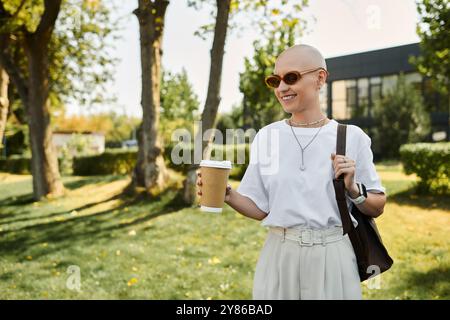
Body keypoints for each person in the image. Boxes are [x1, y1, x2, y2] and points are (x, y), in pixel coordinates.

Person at [197, 44, 387, 300]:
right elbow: (261, 208)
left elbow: (377, 205)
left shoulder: (351, 137)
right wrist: (228, 194)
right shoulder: (267, 136)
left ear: (320, 78)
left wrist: (354, 190)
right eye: (275, 80)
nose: (281, 88)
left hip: (333, 256)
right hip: (279, 254)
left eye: (291, 78)